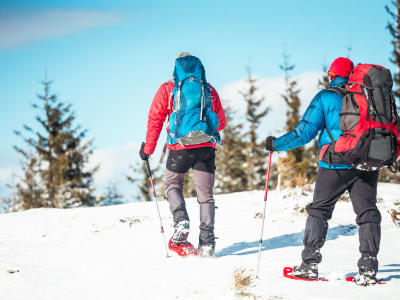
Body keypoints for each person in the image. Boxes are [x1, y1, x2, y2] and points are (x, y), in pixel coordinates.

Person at [265, 57, 382, 286]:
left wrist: (276, 144)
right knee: (368, 213)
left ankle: (309, 265)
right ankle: (368, 268)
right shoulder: (369, 96)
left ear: (331, 76)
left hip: (334, 162)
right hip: (366, 162)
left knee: (319, 211)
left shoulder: (326, 97)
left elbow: (304, 133)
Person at [139, 52, 226, 257]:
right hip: (206, 147)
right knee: (206, 196)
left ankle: (181, 221)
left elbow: (155, 120)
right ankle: (206, 243)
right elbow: (221, 122)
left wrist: (148, 150)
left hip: (179, 148)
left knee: (173, 185)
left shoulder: (168, 89)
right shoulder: (208, 89)